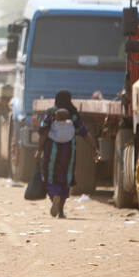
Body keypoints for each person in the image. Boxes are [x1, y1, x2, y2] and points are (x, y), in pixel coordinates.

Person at [34, 90, 100, 219]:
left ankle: (54, 197)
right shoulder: (73, 114)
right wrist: (94, 148)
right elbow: (84, 132)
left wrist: (39, 149)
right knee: (65, 178)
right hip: (68, 151)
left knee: (50, 176)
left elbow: (43, 131)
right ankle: (61, 211)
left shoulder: (51, 113)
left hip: (51, 150)